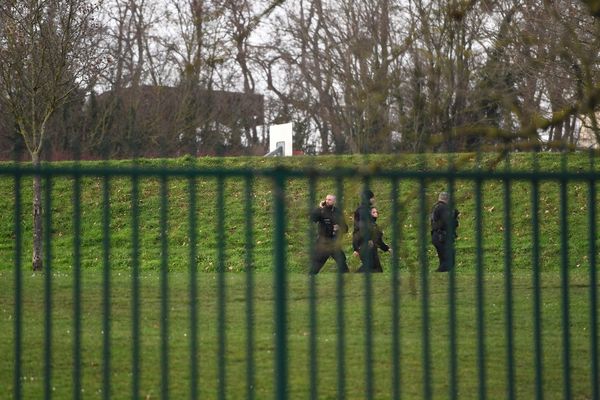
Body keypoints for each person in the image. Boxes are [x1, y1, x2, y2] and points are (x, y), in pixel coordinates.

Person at [310, 194, 349, 274]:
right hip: (323, 241)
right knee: (318, 262)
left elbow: (345, 228)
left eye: (330, 200)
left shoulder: (338, 212)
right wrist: (319, 208)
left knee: (341, 260)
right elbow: (313, 219)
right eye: (326, 199)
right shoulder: (321, 210)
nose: (327, 201)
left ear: (334, 201)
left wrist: (339, 227)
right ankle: (311, 276)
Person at [353, 207, 391, 273]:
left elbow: (378, 241)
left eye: (376, 212)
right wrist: (356, 249)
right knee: (370, 266)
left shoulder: (374, 225)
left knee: (377, 269)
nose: (376, 214)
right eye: (373, 212)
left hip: (372, 250)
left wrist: (387, 248)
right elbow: (357, 237)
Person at [430, 191, 460, 272]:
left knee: (443, 259)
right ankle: (440, 274)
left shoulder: (435, 207)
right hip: (442, 237)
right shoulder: (443, 208)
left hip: (436, 236)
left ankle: (440, 274)